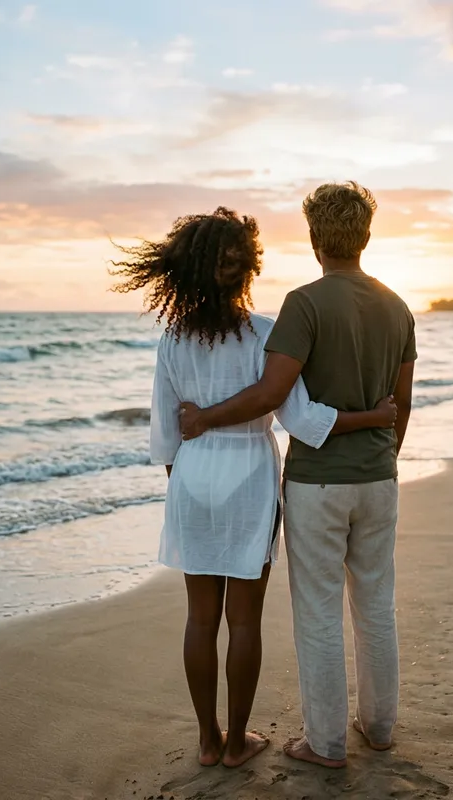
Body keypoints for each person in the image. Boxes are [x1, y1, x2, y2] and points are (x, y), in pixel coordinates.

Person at [110, 207, 396, 769]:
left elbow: (166, 435)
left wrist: (185, 485)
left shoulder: (171, 339)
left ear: (185, 272)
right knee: (243, 620)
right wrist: (373, 417)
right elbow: (300, 417)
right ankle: (239, 741)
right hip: (249, 478)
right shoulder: (266, 333)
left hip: (192, 477)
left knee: (199, 618)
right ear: (248, 271)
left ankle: (207, 741)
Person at [179, 182, 416, 768]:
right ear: (365, 236)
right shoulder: (399, 307)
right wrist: (382, 455)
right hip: (378, 478)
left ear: (315, 239)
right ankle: (380, 727)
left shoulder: (305, 304)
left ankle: (327, 744)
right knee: (376, 605)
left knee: (318, 611)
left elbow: (273, 393)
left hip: (317, 484)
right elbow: (401, 405)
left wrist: (203, 419)